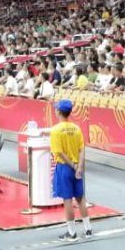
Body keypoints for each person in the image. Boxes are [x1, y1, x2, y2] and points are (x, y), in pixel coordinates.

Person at [51, 99, 92, 241]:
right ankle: (88, 229)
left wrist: (73, 166)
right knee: (80, 198)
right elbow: (81, 149)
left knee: (67, 200)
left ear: (58, 111)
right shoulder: (77, 128)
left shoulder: (55, 130)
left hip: (64, 168)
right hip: (77, 167)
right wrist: (79, 166)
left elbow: (59, 152)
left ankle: (72, 232)